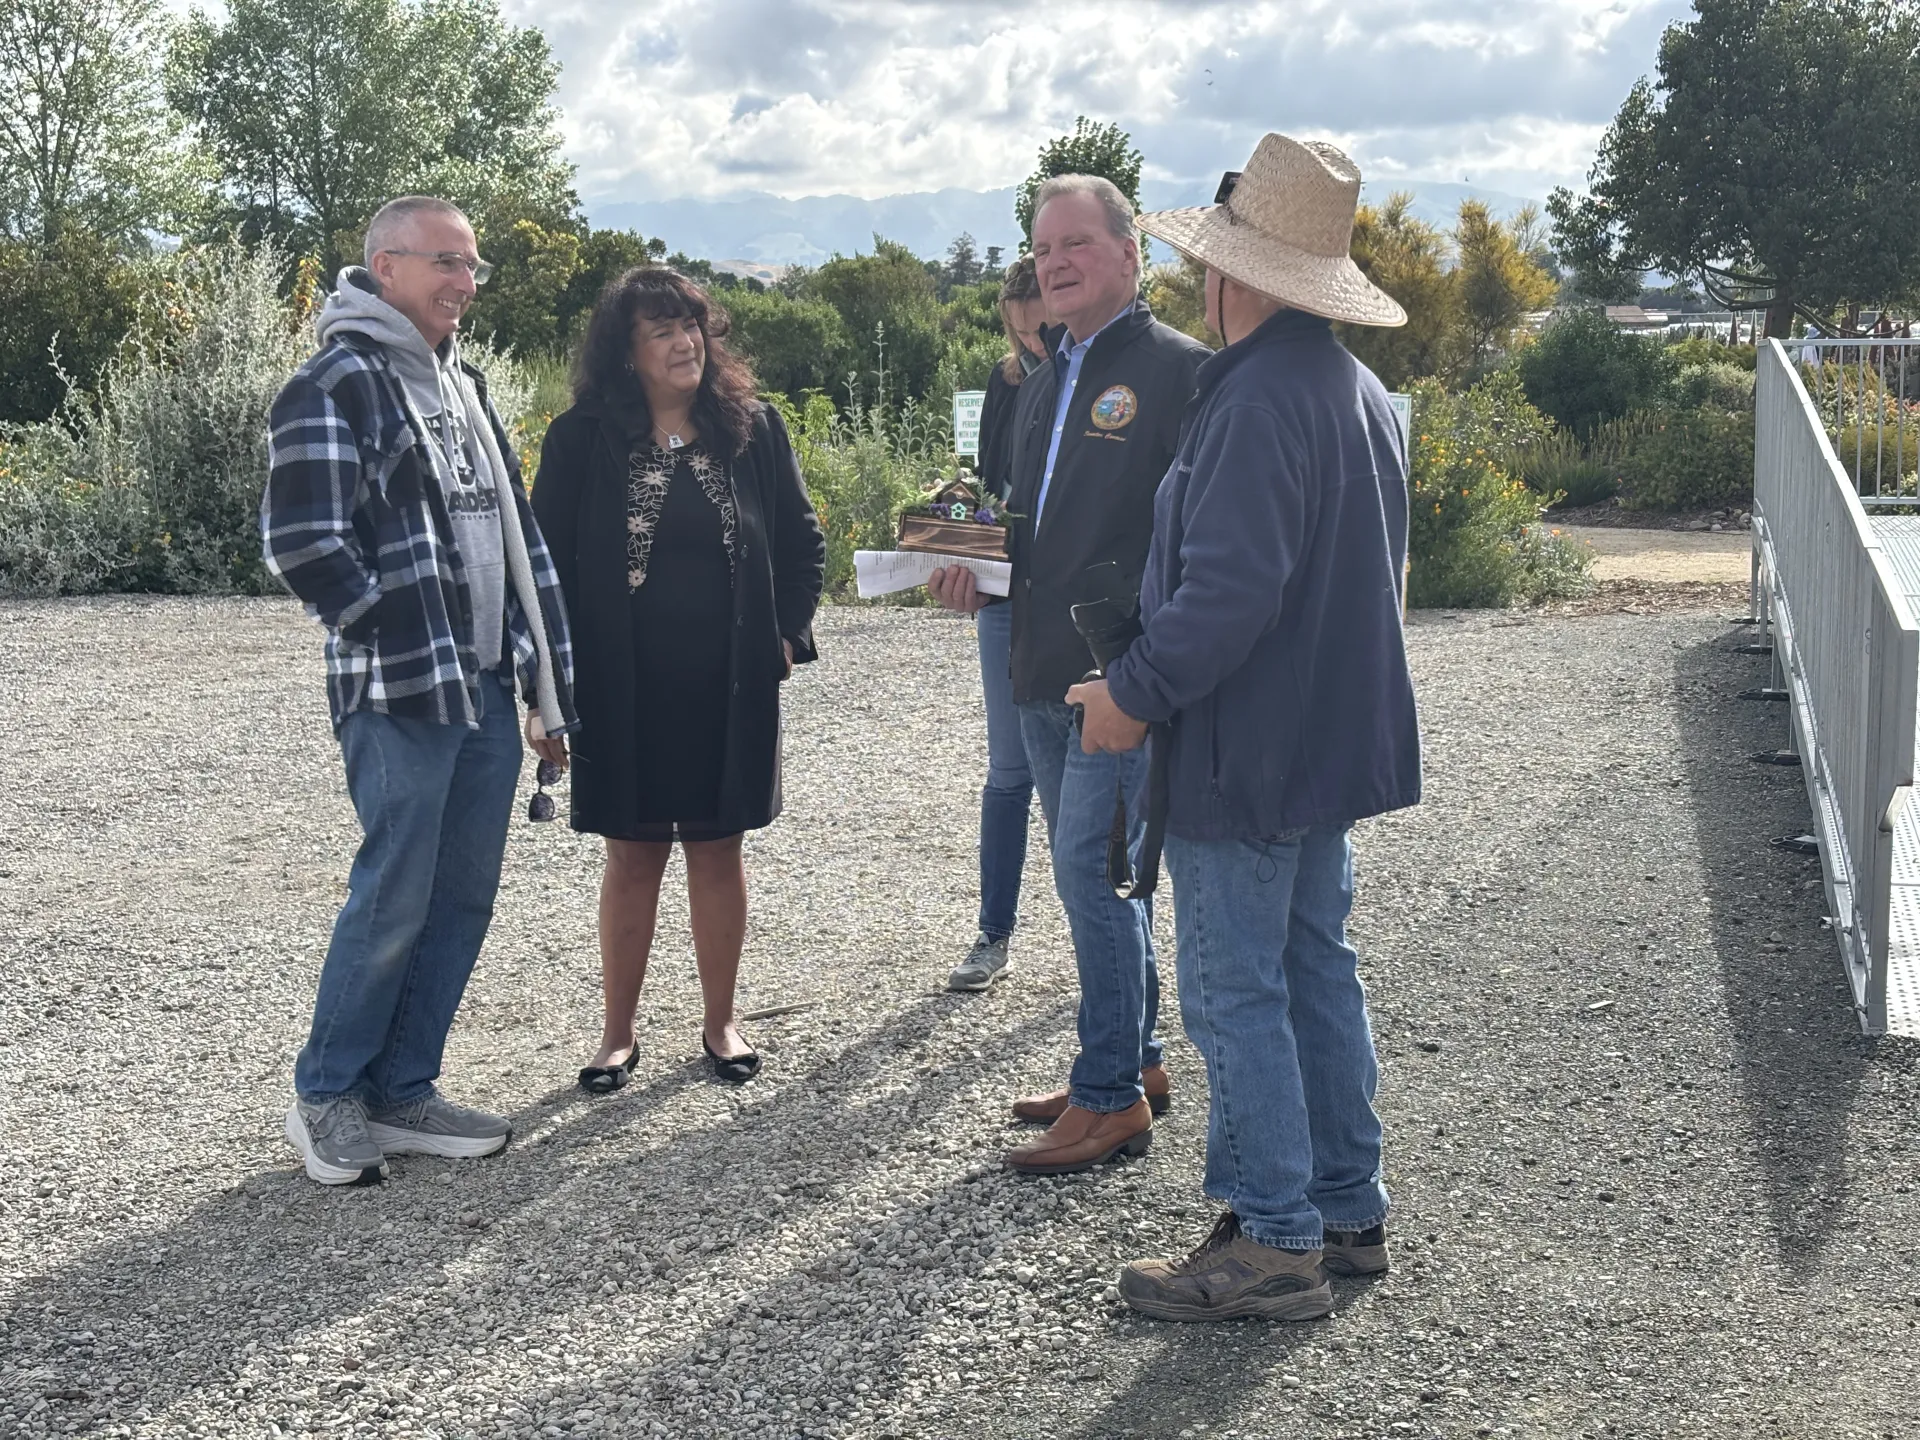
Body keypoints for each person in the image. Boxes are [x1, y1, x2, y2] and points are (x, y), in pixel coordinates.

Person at [1070, 134, 1421, 1321]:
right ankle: (1342, 1210)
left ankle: (1274, 1238)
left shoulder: (1261, 398)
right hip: (1316, 748)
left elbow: (1226, 595)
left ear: (1237, 278)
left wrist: (1131, 694)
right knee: (1315, 969)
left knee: (1234, 991)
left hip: (1248, 750)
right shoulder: (1350, 390)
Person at [263, 195, 578, 1186]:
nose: (465, 283)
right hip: (401, 687)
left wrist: (543, 677)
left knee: (462, 897)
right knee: (394, 894)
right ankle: (327, 1095)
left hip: (483, 682)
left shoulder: (462, 385)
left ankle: (402, 1088)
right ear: (386, 268)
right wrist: (394, 625)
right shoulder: (336, 381)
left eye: (473, 266)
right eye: (448, 263)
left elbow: (517, 542)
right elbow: (301, 540)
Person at [931, 175, 1209, 1175]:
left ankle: (1107, 1102)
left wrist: (1148, 668)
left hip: (1116, 677)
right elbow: (1026, 516)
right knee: (1103, 883)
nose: (1053, 263)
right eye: (1043, 248)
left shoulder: (1181, 372)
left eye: (1075, 245)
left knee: (1095, 880)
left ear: (1131, 257)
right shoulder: (1043, 373)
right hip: (1037, 662)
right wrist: (969, 566)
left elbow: (1193, 541)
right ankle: (1133, 1060)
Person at [530, 267, 825, 1090]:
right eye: (660, 330)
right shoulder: (580, 438)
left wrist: (787, 638)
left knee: (716, 848)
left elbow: (802, 543)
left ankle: (720, 1021)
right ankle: (616, 1035)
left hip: (727, 687)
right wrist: (543, 690)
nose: (683, 342)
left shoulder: (751, 430)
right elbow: (543, 572)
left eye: (691, 324)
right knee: (631, 855)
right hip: (621, 691)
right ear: (625, 353)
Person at [947, 256, 1048, 992]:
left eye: (1038, 326)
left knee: (1082, 788)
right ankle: (993, 933)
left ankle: (1105, 945)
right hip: (1007, 596)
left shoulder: (1096, 381)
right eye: (1018, 330)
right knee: (1008, 774)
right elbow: (991, 489)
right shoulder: (1004, 384)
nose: (1030, 341)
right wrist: (962, 552)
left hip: (1069, 602)